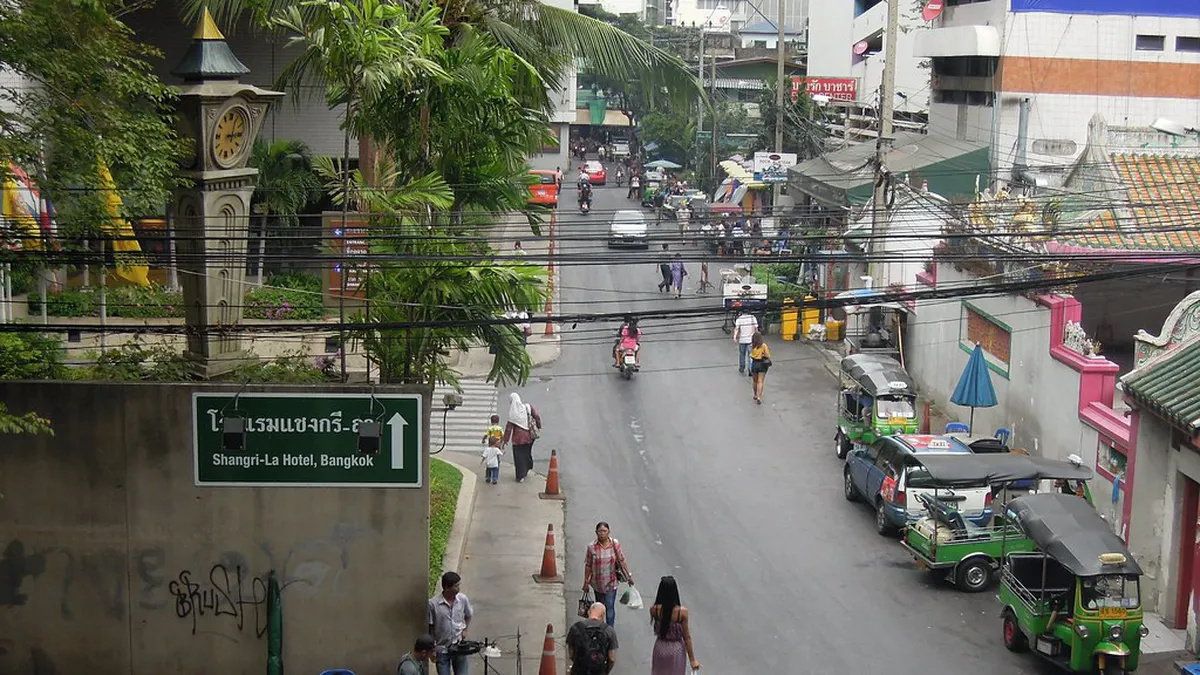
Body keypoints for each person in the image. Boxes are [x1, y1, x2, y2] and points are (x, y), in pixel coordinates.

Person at [582, 521, 634, 628]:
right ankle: (599, 629)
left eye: (604, 531)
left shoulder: (614, 544)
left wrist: (629, 576)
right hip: (597, 583)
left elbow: (622, 560)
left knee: (610, 607)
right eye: (600, 531)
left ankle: (610, 630)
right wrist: (586, 582)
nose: (602, 533)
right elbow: (588, 565)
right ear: (596, 532)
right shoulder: (591, 547)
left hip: (611, 582)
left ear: (609, 532)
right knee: (599, 607)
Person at [649, 576, 701, 675]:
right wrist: (693, 660)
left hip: (660, 647)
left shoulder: (654, 610)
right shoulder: (682, 612)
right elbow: (687, 637)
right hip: (676, 650)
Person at [428, 572, 473, 675]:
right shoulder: (433, 604)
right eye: (456, 586)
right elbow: (430, 627)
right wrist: (432, 649)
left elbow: (469, 614)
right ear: (447, 587)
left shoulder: (462, 599)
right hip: (442, 649)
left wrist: (465, 629)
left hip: (459, 646)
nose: (459, 588)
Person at [566, 602, 619, 675]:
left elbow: (571, 652)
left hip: (579, 670)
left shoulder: (576, 628)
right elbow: (612, 658)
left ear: (588, 612)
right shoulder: (609, 631)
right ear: (603, 615)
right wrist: (606, 671)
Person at [501, 392, 542, 483]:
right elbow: (537, 416)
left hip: (518, 439)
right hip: (530, 437)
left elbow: (509, 428)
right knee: (527, 453)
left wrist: (505, 440)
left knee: (519, 457)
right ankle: (527, 468)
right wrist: (538, 426)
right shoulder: (528, 407)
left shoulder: (512, 413)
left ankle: (520, 476)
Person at [733, 309, 758, 375]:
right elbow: (756, 329)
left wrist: (735, 337)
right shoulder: (753, 318)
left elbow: (737, 329)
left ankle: (742, 367)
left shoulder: (739, 319)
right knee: (751, 355)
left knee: (742, 354)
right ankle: (750, 369)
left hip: (742, 340)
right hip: (751, 340)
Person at [749, 331, 772, 405]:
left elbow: (750, 355)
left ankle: (755, 394)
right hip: (762, 364)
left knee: (755, 381)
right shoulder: (763, 345)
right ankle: (759, 397)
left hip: (754, 364)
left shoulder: (752, 346)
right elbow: (768, 355)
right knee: (760, 381)